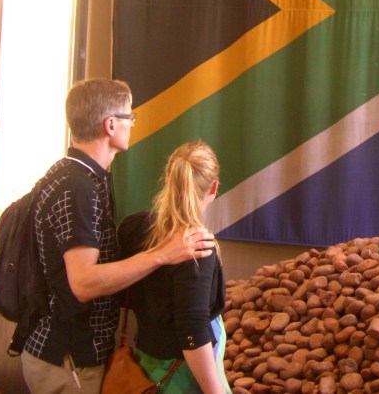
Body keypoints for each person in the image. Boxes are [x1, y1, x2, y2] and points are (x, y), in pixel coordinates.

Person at [21, 78, 216, 394]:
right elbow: (83, 284)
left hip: (72, 354)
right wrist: (162, 255)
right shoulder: (78, 187)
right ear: (111, 125)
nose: (132, 123)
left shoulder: (80, 176)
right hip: (68, 358)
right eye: (130, 116)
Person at [118, 141, 232, 394]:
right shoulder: (198, 247)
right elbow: (192, 330)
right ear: (214, 187)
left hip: (143, 368)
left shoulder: (134, 228)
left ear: (169, 179)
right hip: (181, 378)